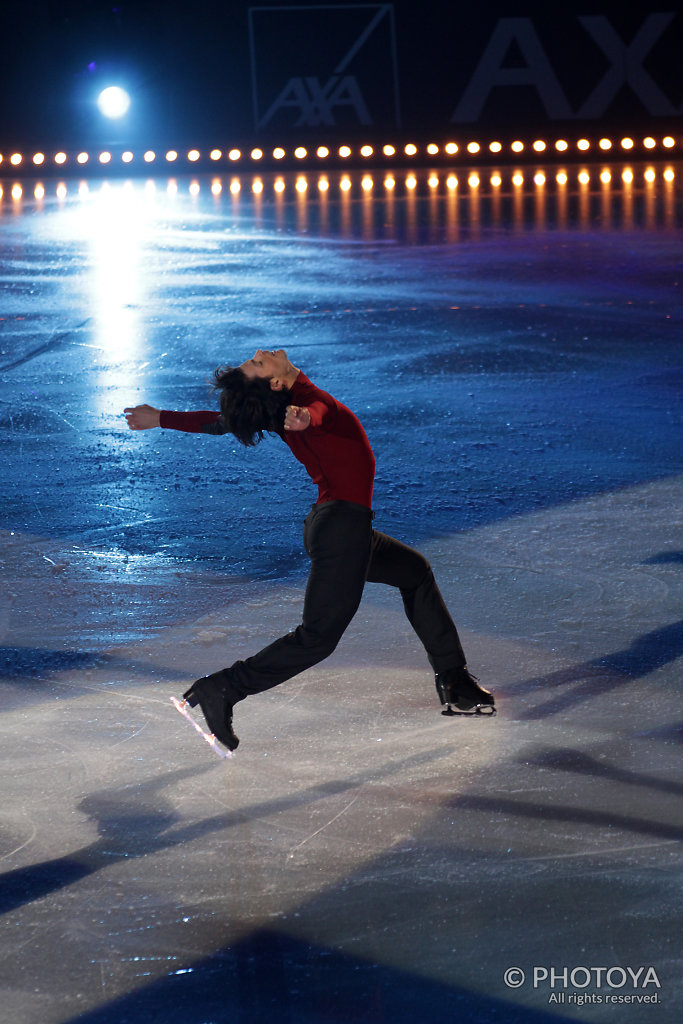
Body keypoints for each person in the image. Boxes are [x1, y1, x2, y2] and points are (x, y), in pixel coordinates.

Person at [124, 348, 495, 752]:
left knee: (414, 572)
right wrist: (305, 418)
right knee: (316, 638)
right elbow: (318, 411)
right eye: (259, 363)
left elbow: (219, 423)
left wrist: (160, 417)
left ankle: (453, 678)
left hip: (340, 526)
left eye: (254, 359)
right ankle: (223, 688)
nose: (261, 353)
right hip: (341, 530)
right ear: (278, 383)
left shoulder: (283, 405)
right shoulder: (304, 406)